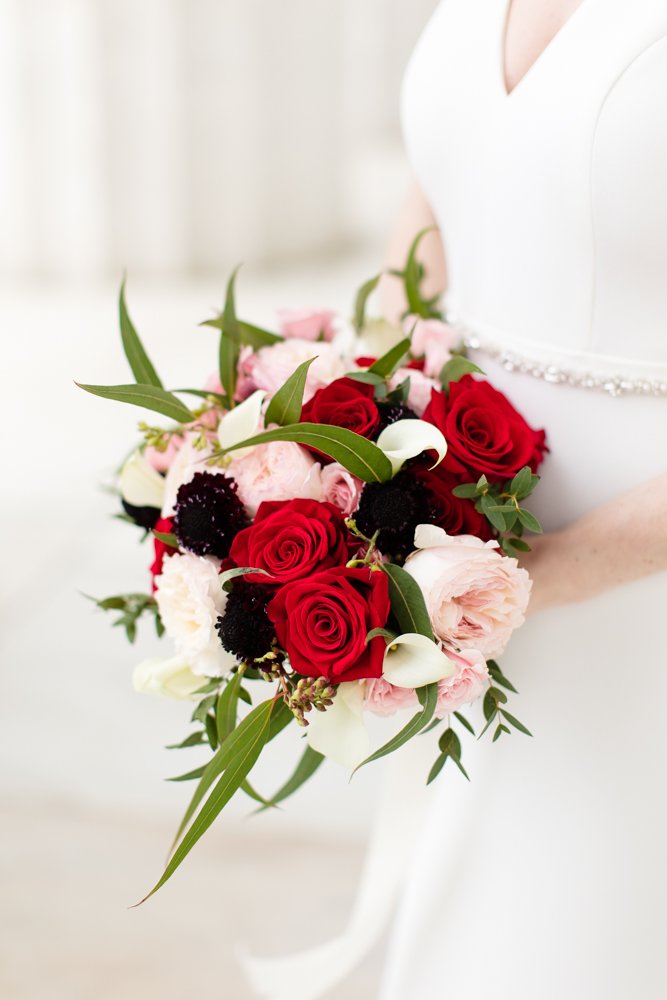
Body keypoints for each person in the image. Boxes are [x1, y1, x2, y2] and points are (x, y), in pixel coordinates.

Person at [376, 1, 667, 997]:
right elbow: (431, 225)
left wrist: (538, 578)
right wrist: (341, 457)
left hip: (634, 593)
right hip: (473, 567)